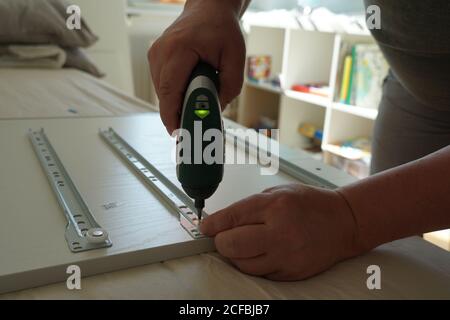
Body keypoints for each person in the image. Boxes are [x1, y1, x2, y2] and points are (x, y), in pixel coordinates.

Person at [148, 0, 450, 280]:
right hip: (412, 78)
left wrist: (351, 218)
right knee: (398, 245)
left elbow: (361, 217)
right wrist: (213, 6)